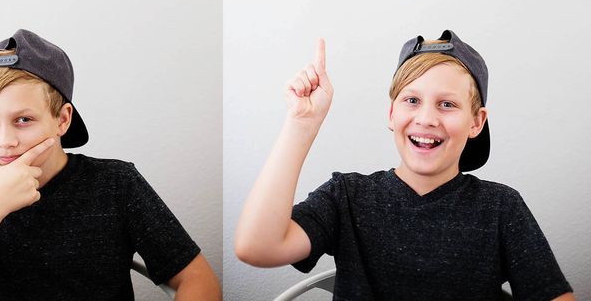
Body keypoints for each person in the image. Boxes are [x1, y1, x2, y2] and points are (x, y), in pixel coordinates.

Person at [235, 29, 575, 301]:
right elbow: (256, 247)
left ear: (476, 122)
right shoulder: (347, 197)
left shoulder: (502, 207)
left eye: (446, 104)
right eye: (411, 100)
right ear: (392, 113)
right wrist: (302, 124)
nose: (426, 118)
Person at [0, 28, 221, 301]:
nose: (5, 140)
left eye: (23, 120)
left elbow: (198, 280)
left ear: (62, 119)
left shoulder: (115, 183)